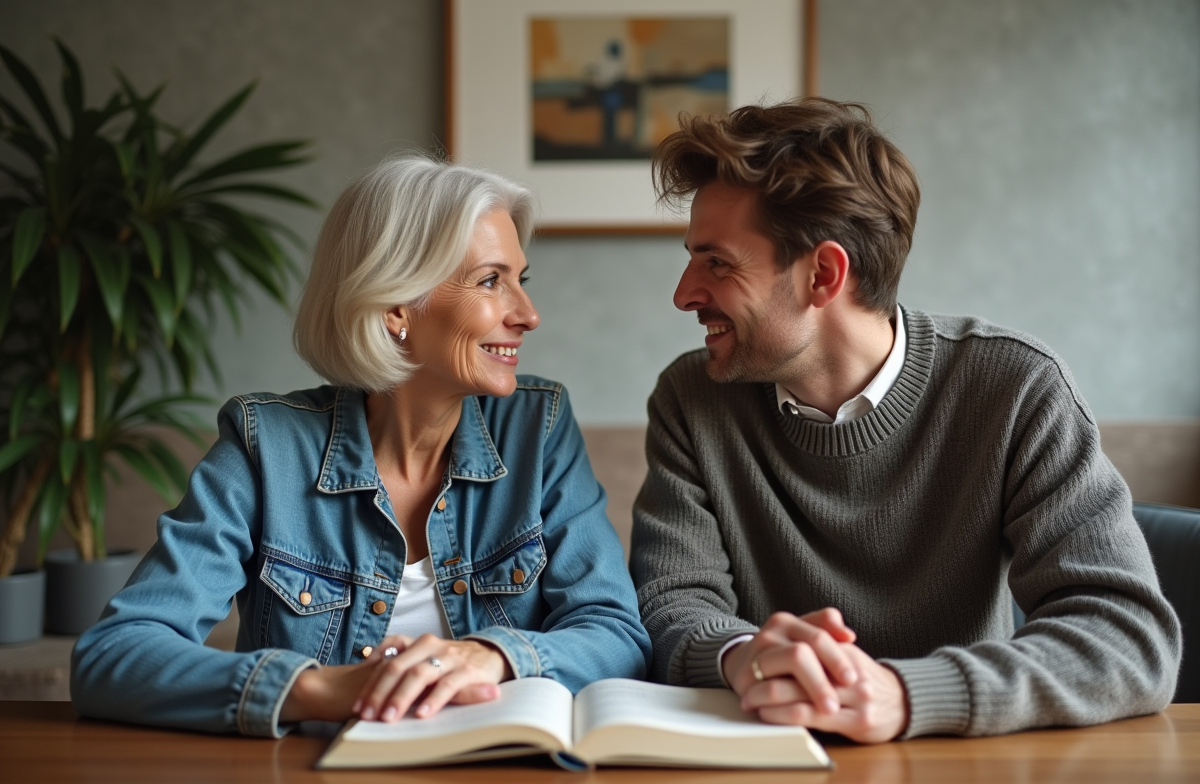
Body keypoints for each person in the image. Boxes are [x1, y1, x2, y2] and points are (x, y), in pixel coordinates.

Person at [629, 98, 1180, 743]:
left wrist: (905, 695)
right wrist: (741, 654)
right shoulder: (692, 399)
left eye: (717, 262)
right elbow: (672, 603)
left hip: (964, 766)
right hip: (768, 758)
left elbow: (1128, 638)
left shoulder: (1014, 387)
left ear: (824, 274)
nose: (684, 293)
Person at [72, 156, 651, 737]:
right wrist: (322, 689)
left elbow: (614, 633)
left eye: (520, 281)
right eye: (490, 280)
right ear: (396, 307)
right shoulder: (265, 447)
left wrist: (494, 656)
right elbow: (113, 656)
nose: (528, 314)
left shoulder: (538, 428)